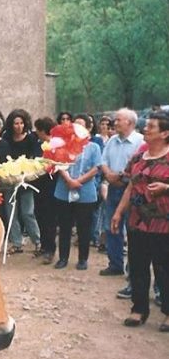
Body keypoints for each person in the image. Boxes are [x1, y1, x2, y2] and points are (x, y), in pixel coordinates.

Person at [110, 111, 169, 331]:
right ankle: (139, 309)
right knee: (138, 267)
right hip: (137, 222)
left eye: (151, 127)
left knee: (165, 269)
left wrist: (166, 188)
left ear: (165, 133)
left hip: (164, 224)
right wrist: (118, 212)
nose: (145, 128)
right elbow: (130, 186)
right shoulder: (138, 157)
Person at [50, 115, 102, 270]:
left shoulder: (94, 147)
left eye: (81, 125)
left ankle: (82, 259)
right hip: (63, 190)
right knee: (64, 226)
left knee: (83, 227)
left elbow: (96, 168)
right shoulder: (63, 144)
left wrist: (79, 181)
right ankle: (63, 257)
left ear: (88, 128)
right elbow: (58, 164)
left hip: (85, 191)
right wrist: (69, 180)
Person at [100, 108, 144, 277]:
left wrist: (119, 175)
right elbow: (103, 161)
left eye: (118, 120)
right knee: (112, 226)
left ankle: (132, 271)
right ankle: (115, 264)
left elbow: (139, 168)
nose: (115, 123)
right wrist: (109, 174)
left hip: (132, 190)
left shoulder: (140, 142)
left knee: (132, 230)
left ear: (130, 123)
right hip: (113, 189)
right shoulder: (111, 141)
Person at [2, 109, 42, 255]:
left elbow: (36, 157)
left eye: (21, 123)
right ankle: (17, 242)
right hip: (10, 179)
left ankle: (37, 241)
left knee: (27, 212)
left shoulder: (31, 138)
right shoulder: (6, 138)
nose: (18, 126)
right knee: (11, 212)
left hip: (26, 180)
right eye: (15, 123)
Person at [33, 116, 57, 263]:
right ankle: (44, 245)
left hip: (51, 185)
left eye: (38, 130)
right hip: (38, 185)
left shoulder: (55, 145)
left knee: (50, 219)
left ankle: (50, 249)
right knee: (39, 215)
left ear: (43, 131)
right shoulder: (39, 144)